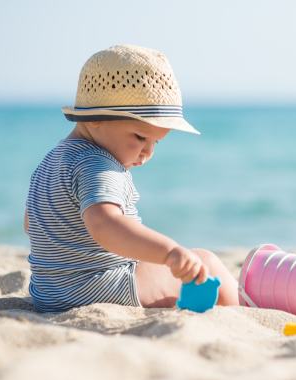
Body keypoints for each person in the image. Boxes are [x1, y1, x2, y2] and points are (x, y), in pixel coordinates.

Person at [24, 44, 240, 312]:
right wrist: (169, 252)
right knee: (207, 263)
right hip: (96, 287)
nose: (148, 152)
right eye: (140, 137)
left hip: (48, 292)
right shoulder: (97, 164)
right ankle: (238, 311)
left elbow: (32, 223)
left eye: (156, 143)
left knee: (178, 268)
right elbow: (105, 225)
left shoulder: (52, 159)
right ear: (94, 120)